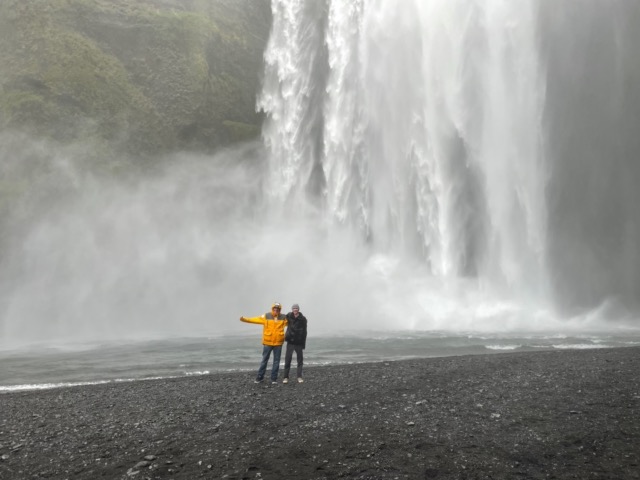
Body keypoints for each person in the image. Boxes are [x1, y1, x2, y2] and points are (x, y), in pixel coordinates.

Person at [240, 302, 288, 384]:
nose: (276, 310)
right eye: (275, 308)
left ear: (280, 309)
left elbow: (292, 323)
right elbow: (255, 319)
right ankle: (259, 378)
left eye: (278, 308)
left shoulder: (284, 317)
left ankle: (273, 379)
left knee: (276, 361)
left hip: (278, 343)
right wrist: (244, 319)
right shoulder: (266, 316)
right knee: (264, 360)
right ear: (272, 308)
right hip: (267, 342)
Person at [282, 303, 307, 384]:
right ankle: (286, 377)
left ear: (298, 309)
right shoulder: (288, 316)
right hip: (290, 341)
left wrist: (303, 344)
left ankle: (299, 377)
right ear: (292, 309)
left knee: (300, 360)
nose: (295, 310)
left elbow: (305, 332)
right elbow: (280, 319)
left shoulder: (303, 319)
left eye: (296, 308)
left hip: (299, 342)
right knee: (287, 359)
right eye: (293, 308)